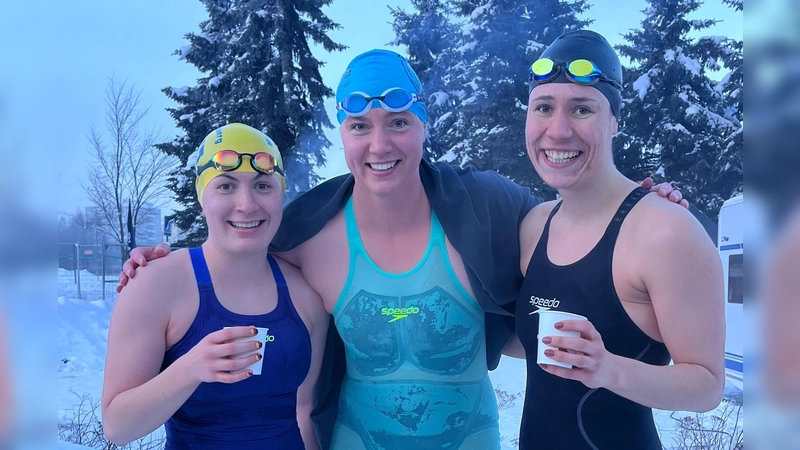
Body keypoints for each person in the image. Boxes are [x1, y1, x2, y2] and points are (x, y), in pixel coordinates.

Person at [117, 50, 686, 449]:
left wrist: (637, 205)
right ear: (342, 135)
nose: (380, 143)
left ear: (424, 127)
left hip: (471, 437)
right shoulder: (306, 233)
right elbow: (240, 237)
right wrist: (169, 263)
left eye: (398, 122)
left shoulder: (488, 208)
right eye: (360, 126)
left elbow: (574, 222)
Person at [510, 30, 725, 449]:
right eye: (544, 107)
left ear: (614, 122)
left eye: (582, 109)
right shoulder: (532, 225)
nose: (557, 131)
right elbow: (529, 342)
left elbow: (707, 385)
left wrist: (609, 370)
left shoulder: (666, 231)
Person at [101, 123, 329, 449]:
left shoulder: (307, 294)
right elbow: (116, 426)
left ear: (281, 195)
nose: (247, 204)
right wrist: (191, 368)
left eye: (263, 185)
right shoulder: (155, 284)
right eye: (225, 186)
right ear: (202, 197)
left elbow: (304, 411)